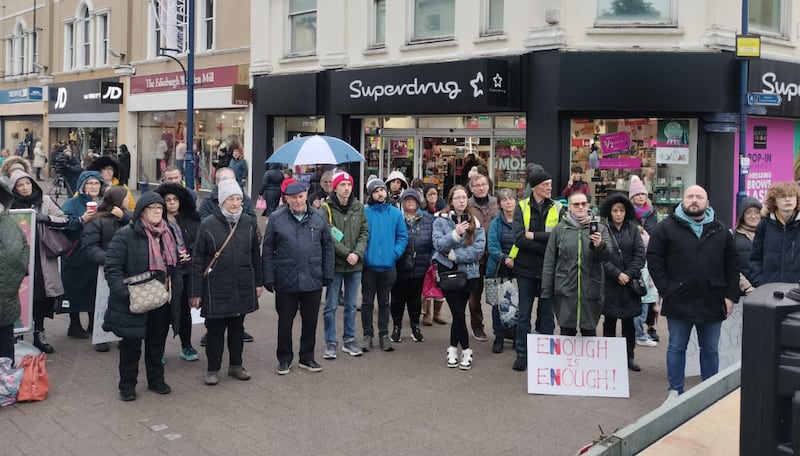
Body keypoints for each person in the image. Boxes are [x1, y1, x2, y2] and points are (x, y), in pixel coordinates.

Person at [647, 185, 739, 400]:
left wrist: (730, 296)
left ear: (707, 202)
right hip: (678, 298)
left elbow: (732, 265)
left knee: (710, 350)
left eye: (699, 197)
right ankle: (675, 391)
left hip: (713, 298)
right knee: (676, 347)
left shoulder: (720, 230)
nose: (694, 200)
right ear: (683, 200)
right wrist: (666, 289)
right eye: (690, 196)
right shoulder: (666, 228)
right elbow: (654, 259)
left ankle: (709, 393)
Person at [103, 192, 177, 401]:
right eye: (151, 208)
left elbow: (173, 265)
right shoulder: (126, 234)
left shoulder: (167, 233)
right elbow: (113, 267)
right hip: (134, 299)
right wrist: (124, 293)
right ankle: (127, 385)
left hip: (160, 298)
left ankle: (156, 380)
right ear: (141, 211)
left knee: (156, 342)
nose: (156, 211)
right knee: (131, 345)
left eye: (159, 208)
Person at [192, 180, 262, 385]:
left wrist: (258, 282)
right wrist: (195, 292)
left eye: (239, 198)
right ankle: (213, 369)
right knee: (215, 330)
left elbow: (254, 255)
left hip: (241, 283)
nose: (235, 203)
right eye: (231, 199)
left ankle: (236, 365)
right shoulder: (208, 224)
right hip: (215, 286)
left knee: (237, 328)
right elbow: (197, 260)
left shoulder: (249, 222)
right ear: (222, 201)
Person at [262, 182, 333, 375]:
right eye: (293, 197)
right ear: (286, 198)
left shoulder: (319, 216)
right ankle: (284, 358)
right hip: (286, 278)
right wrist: (267, 276)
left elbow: (327, 246)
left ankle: (307, 357)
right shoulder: (276, 218)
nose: (298, 200)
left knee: (310, 320)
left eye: (301, 196)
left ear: (306, 195)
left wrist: (328, 273)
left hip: (313, 277)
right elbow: (267, 249)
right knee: (285, 321)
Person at [510, 170, 562, 371]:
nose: (550, 187)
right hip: (525, 271)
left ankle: (545, 354)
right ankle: (522, 354)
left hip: (549, 271)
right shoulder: (521, 207)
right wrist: (544, 240)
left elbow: (558, 239)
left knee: (547, 316)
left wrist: (534, 236)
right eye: (546, 184)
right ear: (535, 187)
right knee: (524, 315)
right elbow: (519, 239)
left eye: (550, 184)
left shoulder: (558, 207)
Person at [9, 170, 66, 354]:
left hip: (42, 261)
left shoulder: (45, 201)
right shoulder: (9, 205)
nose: (25, 188)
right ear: (14, 188)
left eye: (28, 183)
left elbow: (64, 219)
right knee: (19, 297)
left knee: (42, 298)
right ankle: (16, 334)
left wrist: (45, 218)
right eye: (20, 185)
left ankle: (39, 333)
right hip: (18, 260)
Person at [541, 191, 613, 337]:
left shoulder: (600, 228)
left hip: (591, 288)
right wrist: (546, 290)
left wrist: (600, 245)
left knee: (589, 332)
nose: (580, 207)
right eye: (576, 204)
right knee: (567, 331)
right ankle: (566, 361)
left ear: (588, 205)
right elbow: (549, 260)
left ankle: (589, 361)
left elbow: (607, 256)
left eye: (583, 204)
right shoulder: (560, 229)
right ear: (570, 208)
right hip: (566, 288)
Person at [432, 185, 486, 369]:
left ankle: (452, 349)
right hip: (447, 273)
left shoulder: (476, 222)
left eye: (464, 197)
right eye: (457, 198)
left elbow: (478, 250)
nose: (462, 201)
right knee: (457, 313)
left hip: (468, 274)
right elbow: (438, 244)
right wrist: (455, 234)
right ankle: (467, 351)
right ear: (451, 201)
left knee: (458, 314)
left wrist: (456, 255)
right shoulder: (440, 220)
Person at [320, 171, 368, 359]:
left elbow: (364, 231)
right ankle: (331, 343)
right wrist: (346, 253)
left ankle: (349, 340)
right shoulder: (326, 208)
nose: (346, 188)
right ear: (335, 187)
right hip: (335, 264)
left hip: (355, 265)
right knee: (330, 306)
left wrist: (357, 253)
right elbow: (328, 235)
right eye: (342, 185)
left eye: (349, 185)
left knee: (350, 305)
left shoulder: (359, 207)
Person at [81, 186, 132, 352]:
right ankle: (102, 335)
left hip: (126, 269)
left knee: (124, 302)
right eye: (126, 197)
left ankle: (122, 335)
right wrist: (110, 260)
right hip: (103, 270)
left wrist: (124, 216)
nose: (129, 200)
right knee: (102, 302)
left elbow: (139, 226)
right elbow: (89, 247)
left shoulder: (127, 218)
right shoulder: (98, 220)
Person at [599, 194, 646, 371]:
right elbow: (601, 257)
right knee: (609, 321)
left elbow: (640, 255)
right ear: (609, 212)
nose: (618, 214)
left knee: (629, 323)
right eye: (615, 210)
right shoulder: (603, 230)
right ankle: (609, 357)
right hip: (611, 283)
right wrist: (617, 274)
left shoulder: (633, 230)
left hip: (629, 284)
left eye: (622, 210)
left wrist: (628, 274)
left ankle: (629, 357)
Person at [361, 178, 408, 352]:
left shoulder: (395, 213)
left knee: (384, 302)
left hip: (388, 266)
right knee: (366, 302)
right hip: (369, 266)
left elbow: (402, 237)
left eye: (382, 190)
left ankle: (383, 335)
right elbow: (360, 236)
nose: (380, 193)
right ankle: (367, 335)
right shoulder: (364, 212)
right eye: (376, 191)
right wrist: (364, 255)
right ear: (370, 195)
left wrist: (394, 254)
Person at [155, 183, 201, 362]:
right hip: (165, 274)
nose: (172, 203)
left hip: (186, 272)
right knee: (163, 313)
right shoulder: (158, 221)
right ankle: (159, 350)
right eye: (168, 200)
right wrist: (173, 255)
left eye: (175, 200)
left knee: (184, 311)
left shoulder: (190, 219)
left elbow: (198, 241)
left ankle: (186, 345)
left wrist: (189, 253)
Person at [61, 170, 107, 340]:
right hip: (76, 252)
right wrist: (81, 220)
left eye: (96, 183)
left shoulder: (105, 203)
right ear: (82, 186)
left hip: (97, 252)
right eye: (90, 183)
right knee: (75, 288)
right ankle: (74, 324)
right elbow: (64, 223)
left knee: (94, 288)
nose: (93, 186)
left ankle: (93, 324)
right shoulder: (72, 203)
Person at [390, 188, 435, 343]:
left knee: (415, 299)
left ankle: (415, 327)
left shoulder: (428, 219)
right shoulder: (396, 217)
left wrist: (430, 259)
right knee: (397, 298)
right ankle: (396, 327)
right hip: (399, 264)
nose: (409, 202)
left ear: (418, 201)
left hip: (421, 264)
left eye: (413, 199)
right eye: (406, 199)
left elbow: (433, 242)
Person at [466, 173, 498, 342]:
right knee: (474, 295)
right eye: (476, 185)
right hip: (475, 257)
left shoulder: (496, 203)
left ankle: (502, 328)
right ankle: (477, 326)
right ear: (471, 188)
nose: (480, 188)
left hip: (494, 257)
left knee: (496, 294)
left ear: (488, 185)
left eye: (483, 184)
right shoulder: (468, 205)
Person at [0, 176, 29, 362]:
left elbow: (24, 247)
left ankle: (6, 380)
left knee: (5, 341)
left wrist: (19, 270)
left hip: (7, 297)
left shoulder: (9, 221)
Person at [628, 174, 660, 342]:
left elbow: (656, 232)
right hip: (638, 258)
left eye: (643, 194)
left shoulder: (652, 213)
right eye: (637, 194)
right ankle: (638, 331)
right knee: (642, 293)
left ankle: (651, 327)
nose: (641, 197)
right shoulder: (629, 215)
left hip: (653, 256)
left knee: (653, 295)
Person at [750, 182, 800, 286]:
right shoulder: (765, 225)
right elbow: (755, 258)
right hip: (769, 288)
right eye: (782, 197)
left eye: (791, 196)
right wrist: (760, 282)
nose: (788, 199)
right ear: (775, 202)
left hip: (796, 290)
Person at [486, 188, 517, 353]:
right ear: (500, 204)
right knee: (498, 305)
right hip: (499, 268)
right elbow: (492, 246)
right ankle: (498, 336)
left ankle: (515, 335)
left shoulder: (521, 221)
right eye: (504, 200)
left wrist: (516, 260)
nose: (508, 202)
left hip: (518, 268)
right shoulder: (496, 223)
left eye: (510, 199)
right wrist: (505, 258)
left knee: (517, 304)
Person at [421, 183, 447, 325]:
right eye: (429, 194)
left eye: (434, 194)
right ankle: (427, 313)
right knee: (427, 282)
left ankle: (438, 312)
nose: (432, 196)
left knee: (440, 281)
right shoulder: (422, 210)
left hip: (440, 249)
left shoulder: (443, 209)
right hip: (426, 249)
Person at [734, 197, 762, 295]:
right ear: (742, 215)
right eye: (748, 212)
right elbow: (730, 265)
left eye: (757, 212)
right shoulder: (732, 236)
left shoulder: (769, 235)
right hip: (740, 294)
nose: (753, 216)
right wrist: (746, 286)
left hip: (765, 292)